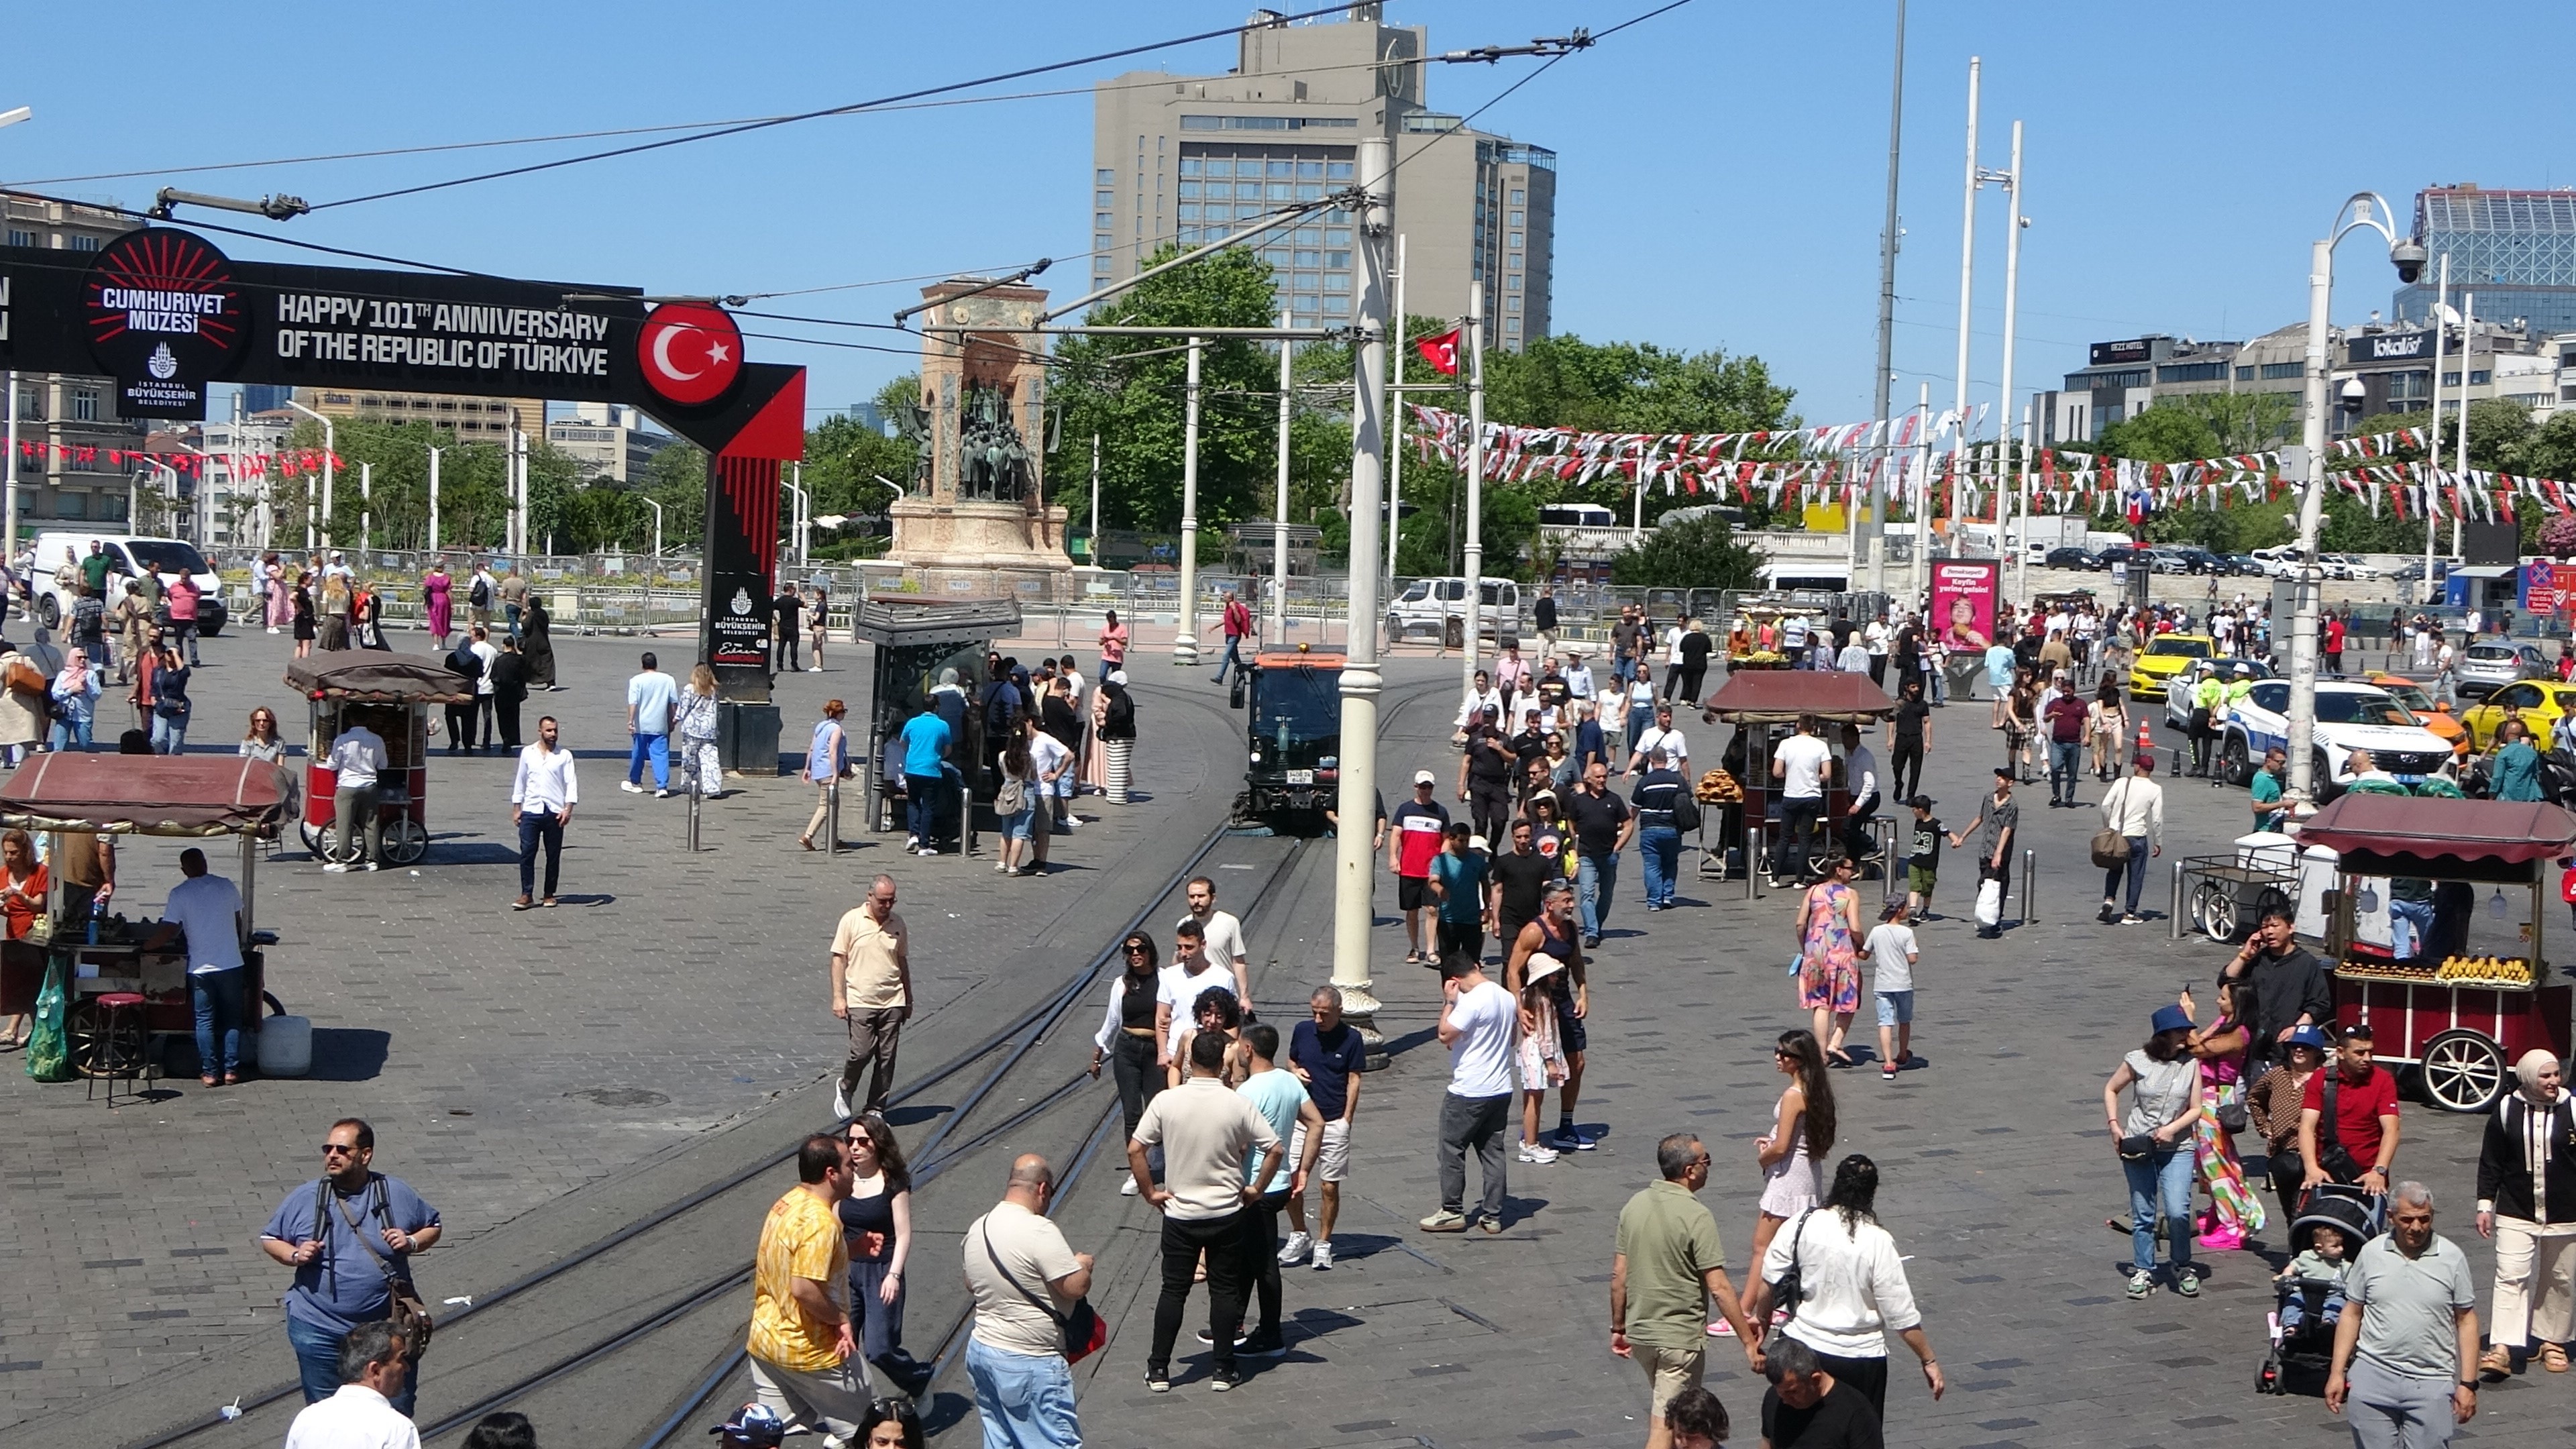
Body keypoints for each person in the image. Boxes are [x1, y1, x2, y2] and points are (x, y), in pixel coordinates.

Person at [1127, 1028, 1277, 1393]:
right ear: (1222, 1065)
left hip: (1180, 1214)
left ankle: (1159, 1369)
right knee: (1224, 1291)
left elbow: (1136, 1149)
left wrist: (1151, 1192)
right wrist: (1255, 1189)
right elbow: (1274, 1148)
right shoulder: (1237, 1103)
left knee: (1173, 1291)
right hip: (1227, 1212)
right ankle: (1224, 1370)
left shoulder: (1167, 1101)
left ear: (1191, 1061)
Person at [259, 1118, 441, 1413]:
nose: (332, 1155)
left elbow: (432, 1224)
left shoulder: (395, 1192)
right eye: (328, 1148)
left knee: (393, 1412)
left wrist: (412, 1242)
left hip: (383, 1332)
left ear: (365, 1155)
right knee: (328, 1416)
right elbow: (270, 1238)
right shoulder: (306, 1197)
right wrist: (294, 1255)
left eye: (342, 1149)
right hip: (319, 1328)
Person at [1746, 1155, 1941, 1426]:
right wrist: (1928, 1359)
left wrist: (1762, 1320)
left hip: (1802, 1347)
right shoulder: (1878, 1241)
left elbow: (1769, 1280)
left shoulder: (1802, 1223)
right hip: (1859, 1359)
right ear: (1871, 1192)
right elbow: (1901, 1316)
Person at [1611, 1134, 1760, 1449]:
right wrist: (1748, 1342)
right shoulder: (1696, 1215)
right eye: (1707, 1161)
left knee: (1671, 1414)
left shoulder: (1634, 1205)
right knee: (1666, 1425)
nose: (1709, 1167)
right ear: (1691, 1170)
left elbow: (1619, 1275)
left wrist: (1619, 1326)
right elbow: (1718, 1286)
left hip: (1642, 1334)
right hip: (1678, 1341)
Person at [2326, 1183, 2481, 1446]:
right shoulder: (2372, 1253)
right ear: (2391, 1217)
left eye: (2424, 1219)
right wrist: (2337, 1371)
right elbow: (2352, 1313)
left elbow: (2466, 1320)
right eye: (2407, 1220)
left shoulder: (2452, 1257)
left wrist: (2468, 1383)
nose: (2417, 1228)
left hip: (2431, 1381)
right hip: (2372, 1377)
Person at [961, 1155, 1091, 1448]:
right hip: (1030, 1360)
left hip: (983, 1351)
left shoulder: (978, 1227)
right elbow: (1074, 1287)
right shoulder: (1038, 1230)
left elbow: (971, 1283)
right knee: (1053, 1442)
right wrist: (1083, 1264)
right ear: (1043, 1189)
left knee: (1000, 1439)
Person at [749, 1134, 871, 1442]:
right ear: (831, 1174)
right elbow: (803, 1288)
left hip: (767, 1343)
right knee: (873, 1431)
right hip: (812, 1351)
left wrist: (851, 1250)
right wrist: (842, 1319)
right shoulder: (821, 1223)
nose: (853, 1168)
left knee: (768, 1438)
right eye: (847, 1164)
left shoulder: (786, 1203)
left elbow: (799, 1261)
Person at [2473, 1049, 2576, 1377]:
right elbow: (2491, 1160)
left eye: (2556, 1074)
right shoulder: (2506, 1109)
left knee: (2561, 1278)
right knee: (2510, 1274)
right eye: (2545, 1076)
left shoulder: (2573, 1109)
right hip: (2516, 1207)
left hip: (2566, 1211)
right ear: (2529, 1077)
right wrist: (2485, 1204)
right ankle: (2503, 1346)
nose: (2553, 1081)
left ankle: (2551, 1340)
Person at [1235, 1022, 1324, 1358]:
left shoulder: (1247, 1093)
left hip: (1254, 1187)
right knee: (1250, 1256)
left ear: (1248, 1050)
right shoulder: (1290, 1081)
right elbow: (1317, 1122)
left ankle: (1271, 1334)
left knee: (1263, 1263)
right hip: (1281, 1184)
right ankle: (1235, 1322)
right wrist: (1303, 1168)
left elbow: (1240, 1146)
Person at [2106, 1004, 2204, 1298]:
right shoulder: (2137, 1060)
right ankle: (2143, 1270)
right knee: (2143, 1212)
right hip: (2140, 1144)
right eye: (2179, 1031)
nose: (2185, 1036)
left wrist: (2173, 1128)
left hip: (2178, 1146)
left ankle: (2182, 1264)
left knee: (2177, 1210)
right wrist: (2114, 1125)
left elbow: (2197, 1108)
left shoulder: (2191, 1063)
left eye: (2186, 1031)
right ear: (2162, 1035)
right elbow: (2111, 1089)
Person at [1421, 949, 1517, 1234]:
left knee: (1451, 1149)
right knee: (1493, 1152)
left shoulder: (1471, 1001)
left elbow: (1444, 1034)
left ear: (1453, 980)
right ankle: (1493, 1215)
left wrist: (1449, 1003)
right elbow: (1510, 1039)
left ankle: (1451, 1210)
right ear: (1475, 966)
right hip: (1500, 1088)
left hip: (1469, 1090)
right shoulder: (1506, 997)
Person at [839, 1114, 929, 1400]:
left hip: (881, 1271)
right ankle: (851, 1414)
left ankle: (918, 1381)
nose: (855, 1147)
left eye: (862, 1141)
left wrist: (894, 1275)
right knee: (841, 1344)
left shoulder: (893, 1182)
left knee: (879, 1348)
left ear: (877, 1144)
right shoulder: (842, 1180)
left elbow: (903, 1234)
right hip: (848, 1268)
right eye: (850, 1141)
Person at [142, 848, 247, 1088]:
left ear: (183, 869)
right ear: (205, 863)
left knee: (204, 1021)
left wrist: (146, 948)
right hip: (231, 963)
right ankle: (231, 1070)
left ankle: (210, 1073)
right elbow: (237, 921)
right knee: (232, 1019)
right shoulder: (226, 886)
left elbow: (169, 929)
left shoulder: (180, 893)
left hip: (200, 968)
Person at [1280, 985, 1365, 1270]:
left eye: (1324, 1014)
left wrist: (1347, 1118)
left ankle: (1324, 1242)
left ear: (1339, 1012)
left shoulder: (1352, 1038)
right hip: (1303, 1119)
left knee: (1329, 1185)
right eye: (1314, 1013)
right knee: (1291, 1180)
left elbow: (1354, 1078)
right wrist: (1294, 1071)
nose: (1318, 1019)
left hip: (1333, 1120)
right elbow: (1292, 1059)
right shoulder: (1303, 1030)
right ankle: (1299, 1233)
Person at [2178, 979, 2265, 1252]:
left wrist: (2189, 1018)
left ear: (2237, 1004)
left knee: (2216, 1162)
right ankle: (2219, 1212)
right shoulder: (2223, 1023)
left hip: (2216, 1100)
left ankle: (2234, 1226)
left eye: (2223, 998)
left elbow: (2198, 1049)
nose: (2218, 1001)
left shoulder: (2239, 1034)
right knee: (2206, 1162)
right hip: (2202, 1097)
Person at [1753, 1028, 1837, 1283]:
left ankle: (1746, 1310)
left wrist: (1764, 1158)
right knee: (1795, 1247)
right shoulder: (1818, 1091)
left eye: (1784, 1054)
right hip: (1808, 1173)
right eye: (1777, 1051)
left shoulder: (1793, 1095)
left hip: (1788, 1178)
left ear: (1800, 1060)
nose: (1778, 1057)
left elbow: (1781, 1148)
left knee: (1762, 1247)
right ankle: (1784, 1301)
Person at [830, 875, 914, 1122]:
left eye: (892, 901)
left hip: (893, 1000)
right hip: (860, 999)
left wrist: (908, 999)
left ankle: (875, 1107)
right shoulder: (851, 920)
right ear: (870, 897)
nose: (888, 906)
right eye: (883, 901)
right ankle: (846, 1086)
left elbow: (902, 961)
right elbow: (838, 959)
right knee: (861, 1052)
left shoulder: (898, 923)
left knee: (887, 1057)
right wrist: (838, 997)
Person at [1091, 934, 1167, 1197]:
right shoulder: (1121, 984)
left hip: (1155, 1052)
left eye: (1141, 949)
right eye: (1130, 950)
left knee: (1157, 1110)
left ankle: (1158, 1154)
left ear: (1150, 951)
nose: (1136, 954)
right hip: (1127, 1049)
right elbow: (1112, 1021)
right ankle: (1139, 1171)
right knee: (1132, 1113)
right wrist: (1099, 1052)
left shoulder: (1165, 979)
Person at [2220, 905, 2333, 1070]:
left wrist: (2297, 1028)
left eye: (2274, 926)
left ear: (2291, 928)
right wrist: (2245, 955)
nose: (2269, 932)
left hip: (2286, 1050)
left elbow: (2320, 1003)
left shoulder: (2307, 963)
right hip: (2254, 1049)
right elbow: (2226, 981)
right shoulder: (2258, 959)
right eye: (2265, 927)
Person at [280, 1320, 420, 1449]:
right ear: (375, 1370)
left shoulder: (306, 1419)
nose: (406, 1367)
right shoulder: (397, 1429)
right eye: (400, 1359)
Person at [2302, 1022, 2404, 1197]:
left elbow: (2391, 1129)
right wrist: (2311, 1168)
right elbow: (2306, 1127)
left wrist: (2379, 1171)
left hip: (2369, 1177)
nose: (2367, 1058)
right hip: (2327, 1173)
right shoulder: (2321, 1079)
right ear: (2341, 1053)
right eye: (2359, 1053)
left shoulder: (2383, 1080)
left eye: (2370, 1052)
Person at [2249, 1024, 2334, 1223]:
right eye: (2295, 1046)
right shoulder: (2277, 1075)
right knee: (2290, 1211)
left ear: (2317, 1053)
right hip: (2282, 1157)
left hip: (2314, 1156)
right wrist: (2264, 1127)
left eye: (2306, 1047)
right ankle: (2296, 1249)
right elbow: (2254, 1099)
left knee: (2308, 1211)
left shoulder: (2325, 1080)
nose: (2299, 1050)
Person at [1796, 855, 1864, 1065]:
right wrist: (1862, 944)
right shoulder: (1850, 895)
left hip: (1815, 954)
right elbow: (1854, 927)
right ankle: (1835, 1042)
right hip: (1842, 955)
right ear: (1838, 870)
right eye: (1850, 868)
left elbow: (1800, 924)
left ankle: (1821, 1054)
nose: (1852, 872)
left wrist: (1807, 947)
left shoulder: (1814, 891)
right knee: (1850, 999)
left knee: (1821, 1004)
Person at [1758, 1337, 1883, 1449]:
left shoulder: (1856, 1413)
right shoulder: (1774, 1398)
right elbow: (1768, 1443)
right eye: (1780, 1392)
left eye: (1792, 1392)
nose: (1784, 1400)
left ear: (1815, 1379)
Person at [508, 716, 576, 910]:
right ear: (540, 731)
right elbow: (520, 780)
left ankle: (549, 893)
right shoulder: (528, 753)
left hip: (554, 811)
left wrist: (568, 809)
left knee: (553, 855)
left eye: (555, 730)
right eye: (549, 731)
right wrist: (516, 808)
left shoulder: (564, 755)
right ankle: (526, 894)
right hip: (531, 810)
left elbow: (571, 783)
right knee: (527, 852)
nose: (553, 734)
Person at [1568, 760, 1636, 949]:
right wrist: (1573, 844)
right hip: (1587, 855)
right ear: (1588, 779)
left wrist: (1618, 847)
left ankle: (1596, 925)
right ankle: (1592, 932)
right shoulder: (1579, 801)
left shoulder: (1613, 800)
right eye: (1598, 776)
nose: (1602, 780)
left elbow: (1628, 824)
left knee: (1606, 894)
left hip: (1608, 855)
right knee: (1587, 893)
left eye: (1605, 776)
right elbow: (1570, 823)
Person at [1943, 769, 2018, 941]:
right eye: (1998, 777)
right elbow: (1980, 818)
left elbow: (2007, 830)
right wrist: (1963, 836)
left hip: (2001, 853)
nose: (1998, 780)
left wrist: (1998, 853)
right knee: (1984, 884)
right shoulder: (1988, 798)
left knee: (1998, 886)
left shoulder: (2012, 805)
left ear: (2010, 783)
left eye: (2003, 778)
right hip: (1986, 849)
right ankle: (1985, 915)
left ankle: (1995, 919)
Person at [1389, 770, 1452, 965]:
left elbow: (1447, 839)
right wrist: (1393, 857)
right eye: (1422, 786)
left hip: (1431, 871)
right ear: (1416, 787)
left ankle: (1432, 950)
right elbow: (1396, 835)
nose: (1426, 790)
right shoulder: (1404, 809)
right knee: (1412, 911)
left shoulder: (1440, 812)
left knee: (1433, 909)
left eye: (1429, 787)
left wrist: (1441, 861)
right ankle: (1415, 947)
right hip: (1409, 868)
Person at [2095, 753, 2164, 925]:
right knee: (2136, 875)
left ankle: (2109, 900)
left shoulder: (2122, 782)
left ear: (2138, 767)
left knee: (2114, 868)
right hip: (2138, 836)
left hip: (2118, 835)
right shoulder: (2155, 789)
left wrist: (2109, 826)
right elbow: (2157, 819)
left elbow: (2105, 805)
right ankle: (2130, 913)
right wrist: (2158, 841)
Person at [1770, 716, 1833, 888]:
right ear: (1814, 728)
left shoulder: (1785, 744)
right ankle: (1799, 879)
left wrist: (1789, 776)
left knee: (1785, 837)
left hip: (1791, 795)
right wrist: (1814, 777)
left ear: (1798, 726)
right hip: (1812, 795)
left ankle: (1775, 877)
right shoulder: (1821, 746)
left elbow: (1776, 772)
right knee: (1805, 838)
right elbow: (1827, 774)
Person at [322, 716, 388, 873]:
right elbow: (383, 765)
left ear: (351, 721)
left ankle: (341, 860)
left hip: (347, 786)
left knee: (345, 825)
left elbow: (332, 765)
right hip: (370, 786)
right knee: (371, 824)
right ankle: (372, 860)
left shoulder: (343, 740)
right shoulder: (377, 740)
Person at [1862, 902, 1919, 1082]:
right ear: (1900, 910)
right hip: (1902, 983)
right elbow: (1912, 959)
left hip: (1883, 984)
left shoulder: (1877, 931)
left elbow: (1864, 954)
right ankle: (1902, 1054)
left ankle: (1888, 1063)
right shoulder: (1907, 933)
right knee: (1904, 1020)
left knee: (1885, 1022)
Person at [1427, 821, 1492, 966]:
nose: (1464, 844)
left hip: (1472, 920)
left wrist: (1487, 908)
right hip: (1449, 920)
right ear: (1451, 839)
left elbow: (1485, 884)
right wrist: (1440, 890)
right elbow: (1433, 880)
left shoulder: (1477, 861)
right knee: (1449, 964)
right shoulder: (1440, 860)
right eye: (1461, 840)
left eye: (1467, 841)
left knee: (1472, 965)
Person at [1632, 745, 1688, 910]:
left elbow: (1635, 807)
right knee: (1671, 863)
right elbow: (1687, 800)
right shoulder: (1677, 780)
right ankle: (1668, 896)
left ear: (1651, 760)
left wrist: (1627, 824)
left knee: (1652, 865)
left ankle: (1654, 901)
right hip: (1672, 829)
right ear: (1667, 760)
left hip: (1650, 829)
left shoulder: (1645, 781)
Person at [2278, 1222, 2356, 1337]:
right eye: (2335, 1246)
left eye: (2341, 1245)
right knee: (2293, 1302)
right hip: (2304, 1292)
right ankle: (2291, 1326)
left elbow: (2351, 1280)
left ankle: (2328, 1323)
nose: (2341, 1249)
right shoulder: (2307, 1257)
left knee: (2338, 1303)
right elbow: (2292, 1267)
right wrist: (2286, 1276)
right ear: (2319, 1248)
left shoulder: (2343, 1264)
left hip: (2332, 1294)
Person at [895, 699, 951, 855]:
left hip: (912, 768)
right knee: (928, 807)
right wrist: (938, 756)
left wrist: (911, 755)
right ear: (937, 707)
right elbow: (948, 749)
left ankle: (913, 834)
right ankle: (924, 844)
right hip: (931, 769)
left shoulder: (912, 723)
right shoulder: (942, 725)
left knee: (913, 802)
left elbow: (902, 742)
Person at [623, 651, 678, 798]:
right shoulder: (668, 680)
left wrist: (631, 721)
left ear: (643, 665)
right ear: (656, 664)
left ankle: (635, 782)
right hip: (660, 723)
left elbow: (633, 702)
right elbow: (673, 702)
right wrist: (673, 719)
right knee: (661, 754)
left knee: (638, 753)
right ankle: (662, 786)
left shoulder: (636, 681)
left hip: (642, 724)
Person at [48, 646, 100, 752]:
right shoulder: (63, 675)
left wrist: (86, 686)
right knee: (59, 746)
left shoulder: (90, 675)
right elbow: (55, 694)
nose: (82, 660)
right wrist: (71, 690)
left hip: (82, 715)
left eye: (84, 657)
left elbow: (97, 695)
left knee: (85, 743)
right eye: (79, 657)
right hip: (64, 713)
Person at [1098, 669, 1137, 804]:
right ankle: (1118, 795)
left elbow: (1120, 714)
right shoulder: (1124, 697)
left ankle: (1116, 796)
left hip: (1119, 737)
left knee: (1116, 767)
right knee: (1120, 767)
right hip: (1126, 735)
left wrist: (1109, 723)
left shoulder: (1118, 699)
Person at [2493, 718, 2545, 802]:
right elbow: (2536, 773)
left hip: (2509, 797)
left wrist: (2492, 794)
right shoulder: (2532, 753)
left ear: (2506, 734)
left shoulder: (2503, 754)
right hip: (2530, 797)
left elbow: (2498, 778)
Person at [1214, 588, 1252, 685]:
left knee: (1226, 655)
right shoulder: (1227, 608)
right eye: (1224, 597)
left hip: (1234, 635)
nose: (1224, 598)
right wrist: (1213, 627)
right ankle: (1242, 673)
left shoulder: (1233, 607)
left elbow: (1238, 620)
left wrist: (1234, 609)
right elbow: (1225, 620)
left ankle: (1219, 677)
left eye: (1227, 597)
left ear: (1231, 599)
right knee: (1235, 658)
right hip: (1228, 635)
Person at [520, 593, 557, 692]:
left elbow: (526, 626)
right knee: (547, 661)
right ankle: (550, 681)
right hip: (544, 640)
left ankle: (527, 680)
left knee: (530, 662)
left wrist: (523, 619)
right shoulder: (544, 613)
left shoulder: (532, 614)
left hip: (532, 641)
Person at [2249, 745, 2290, 831]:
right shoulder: (2262, 779)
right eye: (2280, 763)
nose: (2282, 766)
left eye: (2284, 763)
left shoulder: (2271, 777)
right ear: (2269, 761)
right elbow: (2257, 807)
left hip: (2275, 827)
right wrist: (2283, 804)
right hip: (2265, 829)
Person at [420, 561, 453, 651]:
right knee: (444, 620)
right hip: (443, 599)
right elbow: (449, 592)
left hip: (433, 599)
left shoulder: (430, 577)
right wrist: (452, 604)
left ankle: (436, 644)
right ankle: (444, 643)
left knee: (434, 621)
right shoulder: (446, 577)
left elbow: (426, 590)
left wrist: (424, 602)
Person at [1097, 607, 1130, 677]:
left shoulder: (1122, 628)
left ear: (1115, 618)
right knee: (1102, 675)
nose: (1110, 623)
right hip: (1106, 656)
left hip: (1117, 657)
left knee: (1115, 677)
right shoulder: (1105, 628)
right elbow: (1100, 642)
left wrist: (1115, 638)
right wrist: (1104, 640)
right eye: (1108, 620)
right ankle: (1104, 686)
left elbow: (1125, 642)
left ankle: (1113, 687)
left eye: (1111, 620)